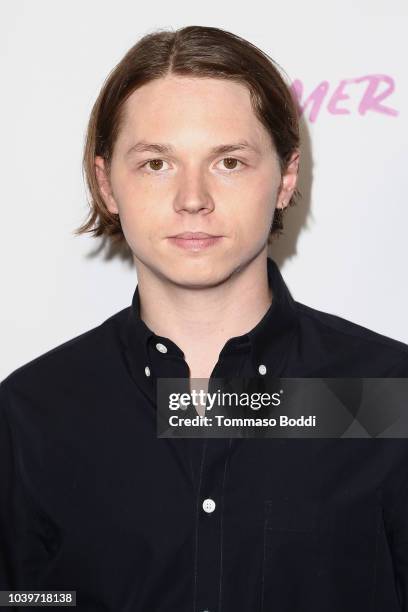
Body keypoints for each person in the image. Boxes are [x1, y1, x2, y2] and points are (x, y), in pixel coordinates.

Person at [1, 24, 407, 612]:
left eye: (230, 162)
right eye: (157, 163)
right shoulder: (35, 414)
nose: (193, 197)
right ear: (105, 182)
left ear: (286, 178)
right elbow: (29, 601)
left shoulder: (386, 397)